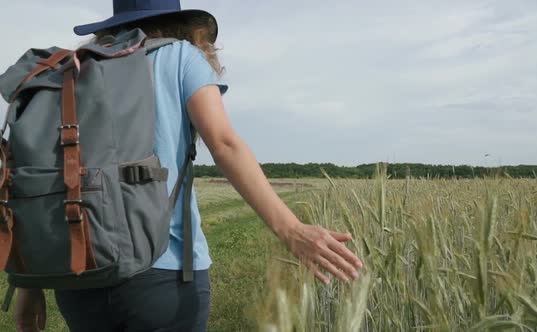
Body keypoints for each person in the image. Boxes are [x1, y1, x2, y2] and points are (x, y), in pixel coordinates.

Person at [13, 1, 363, 331]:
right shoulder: (181, 56)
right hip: (165, 276)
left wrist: (30, 284)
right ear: (183, 22)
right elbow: (225, 144)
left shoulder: (74, 70)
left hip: (81, 272)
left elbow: (39, 169)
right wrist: (292, 230)